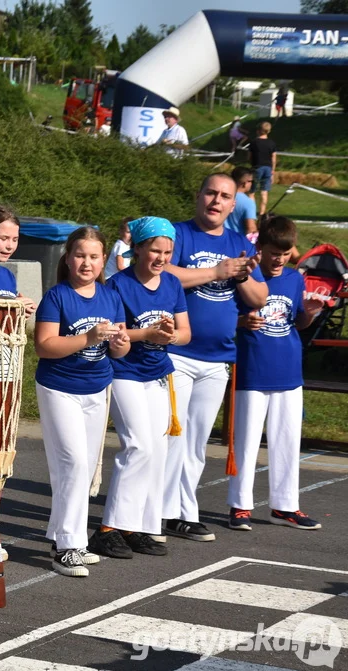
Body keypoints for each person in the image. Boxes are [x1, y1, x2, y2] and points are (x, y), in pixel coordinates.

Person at [161, 173, 268, 543]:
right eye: (211, 192)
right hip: (177, 352)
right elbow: (164, 273)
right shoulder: (178, 234)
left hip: (217, 358)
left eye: (225, 196)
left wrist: (240, 276)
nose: (216, 201)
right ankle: (160, 511)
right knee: (172, 437)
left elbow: (259, 298)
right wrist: (216, 271)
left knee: (197, 442)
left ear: (233, 203)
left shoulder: (239, 242)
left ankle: (184, 513)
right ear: (199, 194)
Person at [89, 217, 191, 560]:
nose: (161, 257)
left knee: (158, 452)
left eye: (168, 251)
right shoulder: (119, 284)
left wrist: (171, 335)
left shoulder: (173, 284)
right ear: (138, 249)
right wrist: (147, 334)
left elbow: (185, 332)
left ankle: (139, 526)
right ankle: (108, 529)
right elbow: (114, 333)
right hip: (125, 372)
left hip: (158, 374)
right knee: (138, 447)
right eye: (155, 250)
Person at [34, 227, 130, 577]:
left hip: (96, 388)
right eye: (79, 255)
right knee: (73, 464)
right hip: (59, 388)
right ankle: (68, 546)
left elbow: (120, 347)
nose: (86, 262)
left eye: (93, 256)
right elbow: (44, 346)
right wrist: (87, 337)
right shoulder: (56, 296)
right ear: (68, 258)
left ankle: (63, 536)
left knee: (83, 468)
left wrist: (119, 342)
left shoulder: (110, 296)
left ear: (103, 259)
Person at [229, 216, 323, 532]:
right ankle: (239, 505)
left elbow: (297, 322)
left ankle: (284, 507)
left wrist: (309, 314)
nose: (278, 259)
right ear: (261, 247)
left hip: (288, 370)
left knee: (287, 441)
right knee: (246, 442)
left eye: (284, 253)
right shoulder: (244, 278)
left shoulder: (296, 279)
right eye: (273, 252)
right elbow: (225, 318)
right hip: (252, 371)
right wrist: (241, 324)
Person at [249, 122, 277, 217]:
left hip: (257, 167)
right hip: (268, 168)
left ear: (259, 130)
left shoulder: (254, 142)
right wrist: (272, 171)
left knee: (251, 191)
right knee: (264, 192)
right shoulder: (272, 143)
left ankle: (251, 212)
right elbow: (273, 158)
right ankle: (262, 213)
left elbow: (249, 156)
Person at [225, 166, 258, 243]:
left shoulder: (223, 197)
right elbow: (250, 228)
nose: (251, 184)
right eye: (251, 181)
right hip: (237, 243)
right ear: (244, 183)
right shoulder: (248, 202)